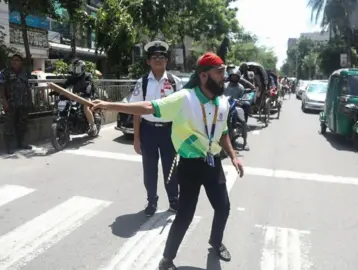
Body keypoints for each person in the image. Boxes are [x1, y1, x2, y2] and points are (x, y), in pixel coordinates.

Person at [91, 52, 244, 270]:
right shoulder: (185, 98)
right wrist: (110, 105)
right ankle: (167, 260)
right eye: (219, 72)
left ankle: (216, 242)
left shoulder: (223, 103)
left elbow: (224, 133)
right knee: (184, 215)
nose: (224, 77)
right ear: (203, 76)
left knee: (224, 207)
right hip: (190, 166)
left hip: (213, 163)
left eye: (224, 72)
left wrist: (234, 157)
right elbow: (148, 107)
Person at [129, 40, 182, 217]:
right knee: (149, 169)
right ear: (148, 61)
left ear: (167, 61)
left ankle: (174, 200)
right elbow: (136, 111)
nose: (158, 59)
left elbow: (182, 110)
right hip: (148, 131)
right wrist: (136, 138)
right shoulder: (142, 82)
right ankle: (152, 200)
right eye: (154, 57)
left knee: (171, 169)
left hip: (169, 132)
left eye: (162, 56)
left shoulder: (176, 82)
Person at [0, 53, 32, 154]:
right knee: (9, 125)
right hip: (11, 103)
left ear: (21, 62)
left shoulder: (24, 72)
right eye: (13, 60)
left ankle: (21, 143)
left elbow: (27, 87)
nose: (14, 61)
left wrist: (30, 101)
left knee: (22, 124)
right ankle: (9, 147)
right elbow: (1, 87)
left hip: (23, 102)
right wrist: (4, 100)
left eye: (17, 60)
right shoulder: (6, 72)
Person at [62, 59, 97, 133]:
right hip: (76, 96)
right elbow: (66, 84)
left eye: (77, 68)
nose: (76, 70)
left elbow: (89, 85)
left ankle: (92, 125)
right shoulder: (74, 77)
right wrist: (56, 90)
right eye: (75, 68)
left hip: (87, 96)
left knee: (85, 108)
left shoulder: (88, 75)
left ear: (83, 68)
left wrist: (86, 93)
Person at [225, 68, 251, 150]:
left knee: (242, 120)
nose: (234, 78)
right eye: (233, 76)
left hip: (236, 106)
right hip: (224, 106)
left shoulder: (241, 87)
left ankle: (245, 142)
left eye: (236, 77)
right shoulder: (224, 85)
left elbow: (244, 96)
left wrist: (240, 101)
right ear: (230, 76)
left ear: (239, 78)